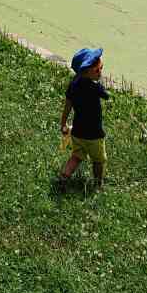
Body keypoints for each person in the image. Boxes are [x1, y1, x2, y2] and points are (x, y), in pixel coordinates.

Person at [57, 47, 109, 192]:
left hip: (77, 132)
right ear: (86, 72)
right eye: (98, 70)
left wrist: (63, 123)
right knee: (98, 160)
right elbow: (106, 95)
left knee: (76, 157)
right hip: (95, 134)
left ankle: (64, 176)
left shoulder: (73, 84)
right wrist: (99, 84)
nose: (100, 72)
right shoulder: (95, 87)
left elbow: (67, 105)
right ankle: (98, 183)